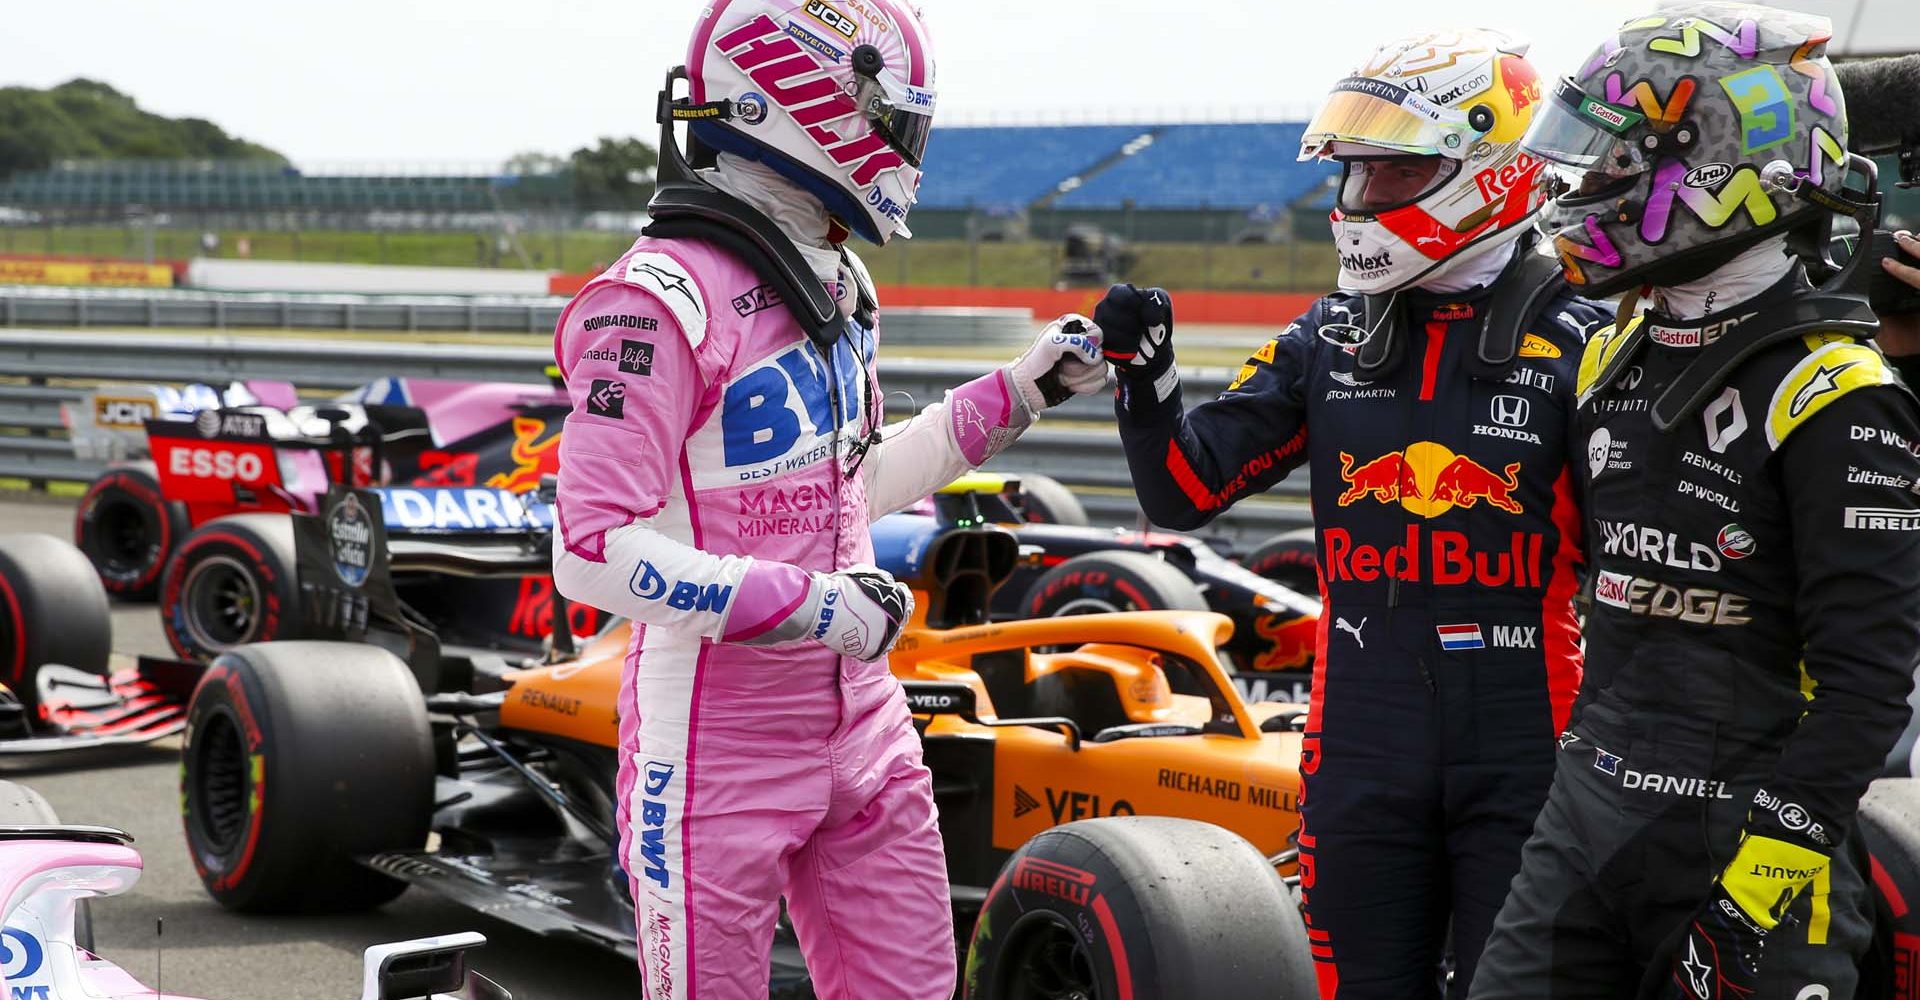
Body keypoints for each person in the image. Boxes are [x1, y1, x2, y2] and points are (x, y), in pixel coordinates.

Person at [546, 3, 1107, 998]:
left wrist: (1022, 392)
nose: (905, 148)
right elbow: (589, 552)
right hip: (712, 745)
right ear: (806, 95)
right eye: (896, 119)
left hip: (864, 724)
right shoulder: (655, 299)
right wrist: (808, 607)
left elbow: (850, 494)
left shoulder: (837, 280)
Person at [1097, 29, 1606, 999]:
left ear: (1487, 171)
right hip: (1361, 742)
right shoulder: (1324, 336)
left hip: (1534, 746)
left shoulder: (1588, 336)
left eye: (1391, 173)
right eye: (1355, 174)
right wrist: (1148, 384)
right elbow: (1183, 493)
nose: (1360, 202)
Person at [1467, 5, 1920, 998]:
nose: (1583, 191)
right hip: (1584, 821)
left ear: (1719, 168)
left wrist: (1750, 895)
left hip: (1757, 855)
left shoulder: (1834, 393)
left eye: (1614, 166)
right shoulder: (1606, 355)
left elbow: (1866, 693)